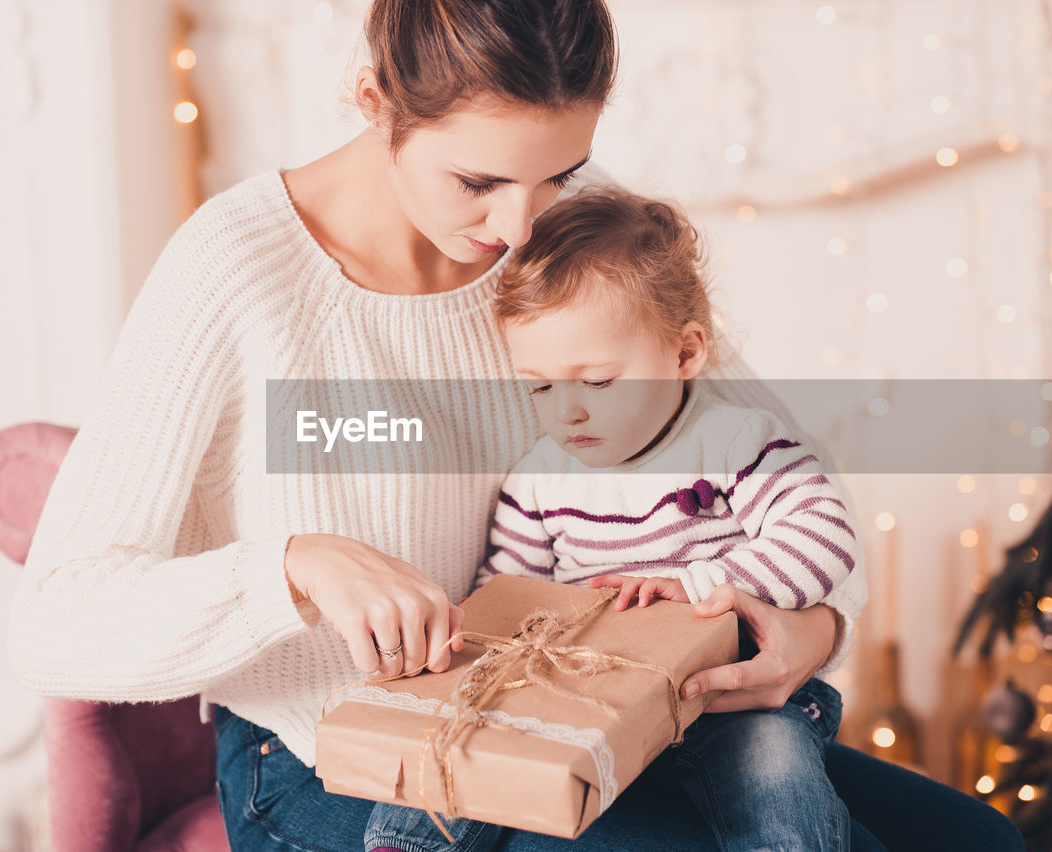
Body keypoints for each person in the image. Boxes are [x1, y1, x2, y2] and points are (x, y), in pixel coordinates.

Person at [6, 0, 1025, 850]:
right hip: (341, 758)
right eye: (477, 181)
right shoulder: (234, 270)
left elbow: (772, 473)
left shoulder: (567, 249)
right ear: (374, 101)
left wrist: (809, 628)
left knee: (975, 840)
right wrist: (291, 565)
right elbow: (55, 621)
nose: (519, 230)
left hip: (604, 712)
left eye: (560, 174)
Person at [363, 187, 857, 851]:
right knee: (467, 747)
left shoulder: (737, 442)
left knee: (775, 773)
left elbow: (823, 535)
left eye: (597, 382)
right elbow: (507, 595)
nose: (566, 411)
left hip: (726, 700)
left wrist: (701, 584)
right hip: (588, 703)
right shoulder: (540, 478)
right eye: (541, 385)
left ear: (684, 355)